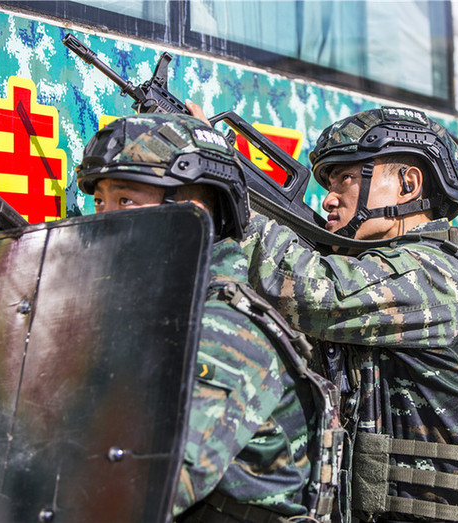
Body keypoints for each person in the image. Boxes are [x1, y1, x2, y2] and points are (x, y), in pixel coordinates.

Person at [211, 105, 458, 523]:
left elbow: (307, 288)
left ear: (408, 184)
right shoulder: (401, 268)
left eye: (346, 178)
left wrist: (215, 176)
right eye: (329, 182)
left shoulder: (434, 276)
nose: (329, 198)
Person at [76, 112, 342, 523]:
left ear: (193, 211)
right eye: (99, 202)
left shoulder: (223, 330)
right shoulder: (155, 310)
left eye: (125, 201)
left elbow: (139, 490)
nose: (102, 221)